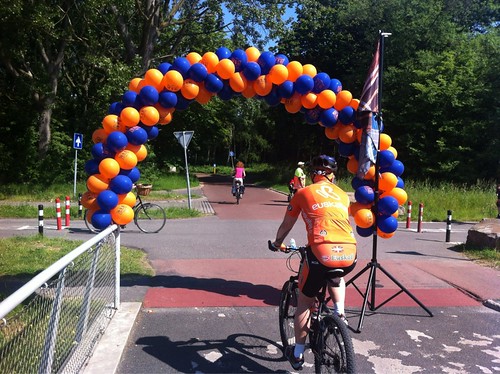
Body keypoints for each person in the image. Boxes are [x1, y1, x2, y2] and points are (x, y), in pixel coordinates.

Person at [272, 155, 357, 370]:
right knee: (336, 274)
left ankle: (298, 354)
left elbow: (287, 224)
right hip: (350, 252)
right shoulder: (342, 195)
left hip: (320, 251)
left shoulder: (302, 193)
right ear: (333, 176)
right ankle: (340, 313)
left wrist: (277, 243)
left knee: (304, 302)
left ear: (313, 175)